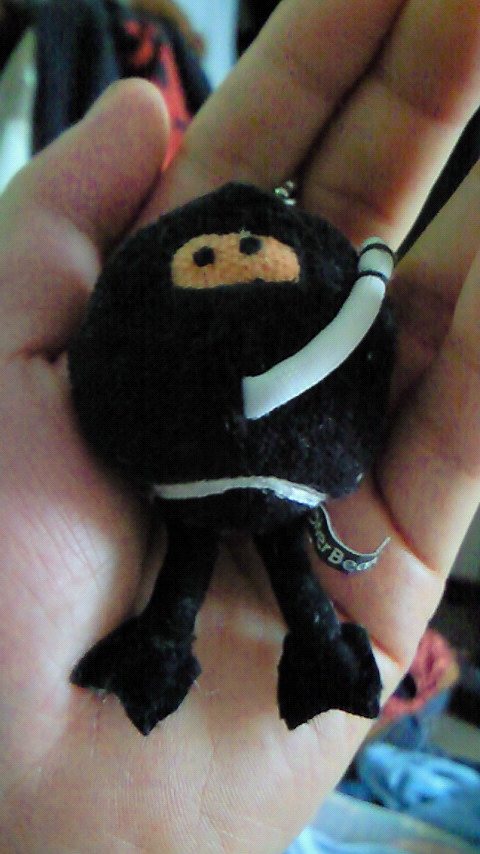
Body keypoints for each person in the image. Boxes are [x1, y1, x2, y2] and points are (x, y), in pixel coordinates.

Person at [1, 1, 480, 851]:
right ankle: (185, 651)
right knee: (215, 567)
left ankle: (296, 655)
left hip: (263, 484)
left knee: (265, 570)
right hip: (197, 486)